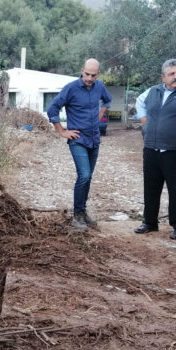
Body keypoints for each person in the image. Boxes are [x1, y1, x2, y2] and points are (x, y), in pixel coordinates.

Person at [134, 59, 176, 239]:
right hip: (152, 148)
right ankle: (149, 222)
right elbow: (139, 102)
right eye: (172, 74)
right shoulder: (153, 91)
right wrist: (145, 123)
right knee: (151, 187)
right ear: (163, 77)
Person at [48, 58, 112, 232]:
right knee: (83, 175)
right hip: (78, 139)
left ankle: (83, 212)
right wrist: (62, 131)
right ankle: (77, 215)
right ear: (82, 70)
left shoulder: (99, 87)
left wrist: (101, 112)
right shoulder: (71, 88)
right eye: (87, 74)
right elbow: (52, 109)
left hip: (94, 139)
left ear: (97, 74)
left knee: (88, 176)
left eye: (93, 75)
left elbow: (107, 100)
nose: (90, 78)